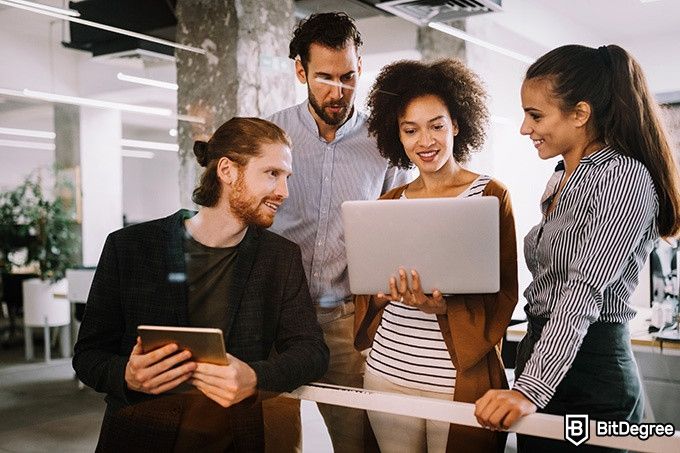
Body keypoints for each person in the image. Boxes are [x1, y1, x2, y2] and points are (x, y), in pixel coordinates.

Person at [72, 117, 329, 452]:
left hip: (234, 440)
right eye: (272, 174)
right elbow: (88, 355)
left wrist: (256, 378)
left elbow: (312, 352)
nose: (284, 191)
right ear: (227, 171)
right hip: (139, 435)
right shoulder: (130, 248)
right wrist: (126, 374)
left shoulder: (279, 257)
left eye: (286, 177)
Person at [474, 44, 680, 452]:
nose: (524, 128)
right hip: (545, 357)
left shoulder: (623, 177)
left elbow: (581, 292)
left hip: (592, 376)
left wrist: (528, 390)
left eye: (536, 115)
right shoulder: (561, 178)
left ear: (580, 114)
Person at [353, 59, 518, 453]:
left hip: (453, 378)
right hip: (387, 371)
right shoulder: (389, 202)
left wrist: (444, 308)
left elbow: (504, 292)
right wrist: (379, 296)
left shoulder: (491, 196)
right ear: (398, 135)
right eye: (410, 130)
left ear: (456, 124)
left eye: (436, 126)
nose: (424, 141)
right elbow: (366, 286)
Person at [266, 12, 413, 452]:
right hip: (277, 317)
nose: (338, 91)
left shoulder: (384, 142)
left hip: (347, 320)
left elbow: (397, 227)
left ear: (360, 68)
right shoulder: (271, 133)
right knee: (274, 442)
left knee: (358, 444)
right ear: (300, 72)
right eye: (324, 77)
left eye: (348, 76)